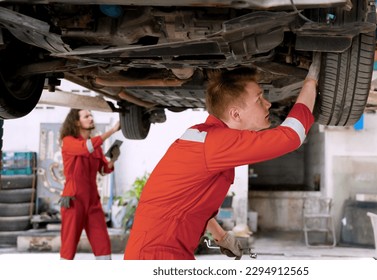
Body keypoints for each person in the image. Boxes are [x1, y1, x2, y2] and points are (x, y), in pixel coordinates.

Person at [123, 53, 322, 260]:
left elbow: (190, 202)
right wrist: (310, 81)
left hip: (157, 250)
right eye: (259, 99)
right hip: (157, 254)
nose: (268, 104)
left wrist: (221, 237)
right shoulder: (217, 143)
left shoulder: (210, 138)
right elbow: (291, 137)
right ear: (235, 114)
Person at [58, 109, 121, 260]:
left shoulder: (96, 147)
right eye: (86, 116)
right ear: (76, 122)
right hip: (73, 200)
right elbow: (86, 148)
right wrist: (113, 130)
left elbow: (104, 169)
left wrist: (113, 160)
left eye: (91, 115)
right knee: (69, 247)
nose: (91, 118)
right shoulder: (69, 142)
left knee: (103, 245)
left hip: (92, 201)